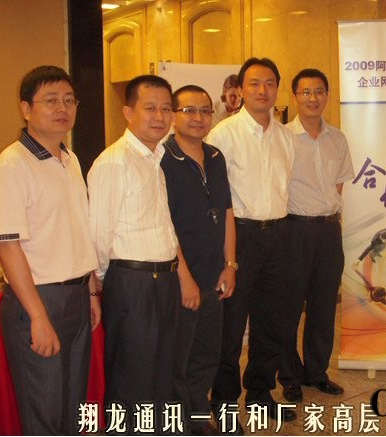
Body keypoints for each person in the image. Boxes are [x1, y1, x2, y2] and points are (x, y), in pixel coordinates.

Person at [0, 65, 100, 435]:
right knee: (45, 413)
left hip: (76, 297)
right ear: (26, 108)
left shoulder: (70, 159)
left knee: (73, 407)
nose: (62, 108)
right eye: (50, 100)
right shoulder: (11, 165)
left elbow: (76, 231)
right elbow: (9, 247)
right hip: (38, 300)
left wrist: (90, 291)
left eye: (69, 100)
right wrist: (37, 316)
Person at [87, 75, 187, 432]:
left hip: (163, 279)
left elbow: (163, 224)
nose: (160, 116)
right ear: (128, 112)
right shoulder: (114, 162)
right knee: (132, 378)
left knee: (162, 374)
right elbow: (98, 234)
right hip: (132, 282)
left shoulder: (155, 157)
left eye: (166, 108)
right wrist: (104, 282)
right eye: (150, 108)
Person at [206, 57, 296, 431]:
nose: (263, 90)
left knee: (271, 323)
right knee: (230, 327)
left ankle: (260, 393)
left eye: (270, 83)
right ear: (240, 89)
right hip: (238, 237)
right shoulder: (222, 135)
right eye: (255, 83)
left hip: (278, 234)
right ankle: (224, 403)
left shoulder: (286, 137)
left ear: (277, 89)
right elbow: (213, 197)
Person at [161, 85, 237, 435]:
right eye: (189, 110)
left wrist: (230, 265)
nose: (198, 118)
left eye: (205, 111)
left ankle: (197, 417)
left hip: (213, 274)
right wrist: (184, 277)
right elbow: (164, 224)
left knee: (207, 354)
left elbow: (227, 212)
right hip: (179, 279)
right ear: (173, 115)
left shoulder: (216, 156)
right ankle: (179, 424)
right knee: (179, 359)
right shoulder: (163, 159)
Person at [279, 68, 355, 404]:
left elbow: (339, 184)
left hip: (329, 231)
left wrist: (328, 215)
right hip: (294, 230)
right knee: (288, 308)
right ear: (295, 96)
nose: (313, 98)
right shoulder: (282, 138)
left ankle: (317, 373)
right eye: (306, 92)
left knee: (324, 307)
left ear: (327, 95)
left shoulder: (337, 138)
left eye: (319, 91)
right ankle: (290, 376)